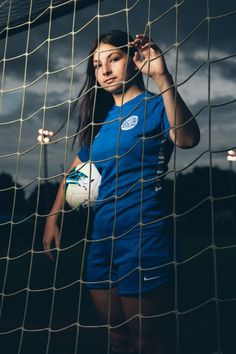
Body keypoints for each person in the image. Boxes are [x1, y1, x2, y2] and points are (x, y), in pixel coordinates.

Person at [43, 30, 200, 354]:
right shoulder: (102, 123)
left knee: (150, 343)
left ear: (134, 58)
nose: (105, 69)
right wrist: (54, 216)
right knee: (118, 341)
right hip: (102, 242)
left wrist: (161, 76)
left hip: (143, 236)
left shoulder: (154, 105)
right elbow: (77, 175)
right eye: (97, 64)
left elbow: (187, 139)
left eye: (114, 58)